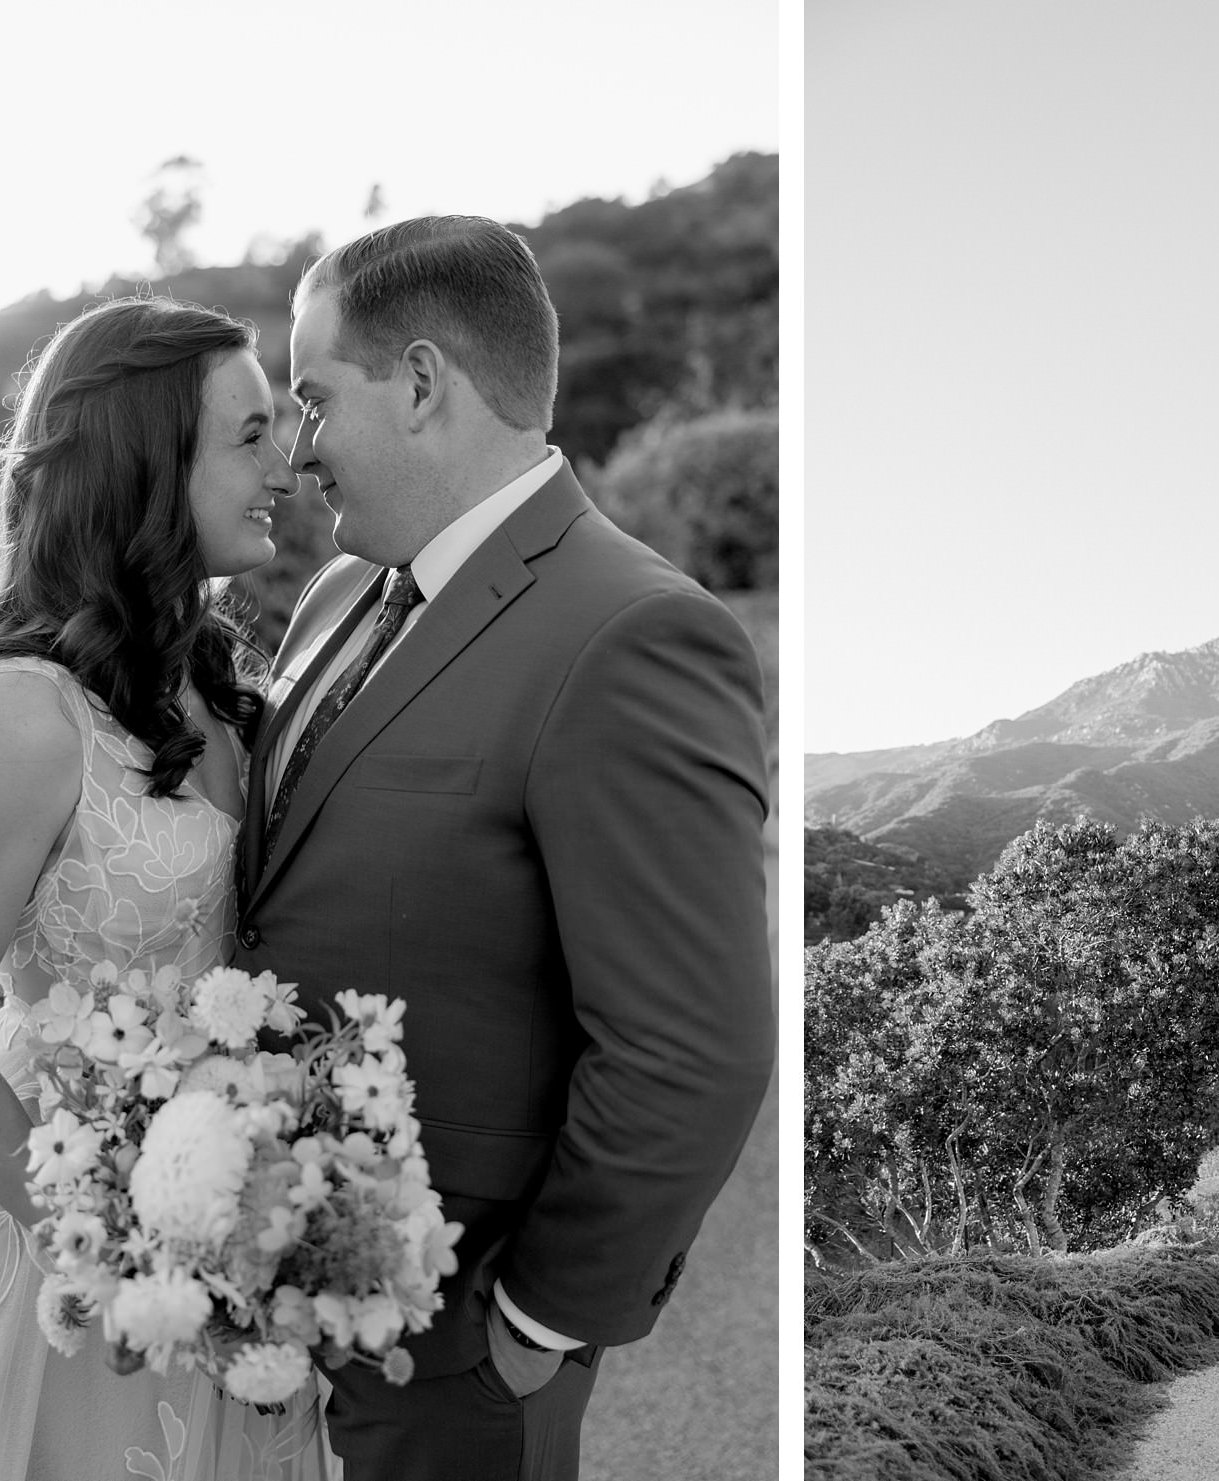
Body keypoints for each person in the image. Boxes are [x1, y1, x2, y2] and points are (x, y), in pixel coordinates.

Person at [232, 214, 775, 1480]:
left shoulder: (635, 632)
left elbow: (694, 1043)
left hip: (459, 1344)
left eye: (315, 398)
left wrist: (536, 1320)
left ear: (420, 382)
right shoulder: (337, 596)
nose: (300, 449)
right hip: (276, 1298)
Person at [0, 297, 334, 1479]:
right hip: (62, 1233)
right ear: (143, 462)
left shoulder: (220, 682)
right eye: (247, 435)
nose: (285, 462)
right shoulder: (21, 713)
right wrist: (111, 1246)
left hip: (232, 1206)